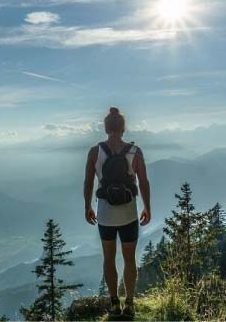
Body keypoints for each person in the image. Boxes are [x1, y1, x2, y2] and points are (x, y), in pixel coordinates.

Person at [84, 107, 151, 318]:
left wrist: (88, 206)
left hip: (105, 215)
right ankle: (129, 303)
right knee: (129, 259)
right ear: (123, 128)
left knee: (109, 258)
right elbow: (143, 182)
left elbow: (88, 182)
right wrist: (147, 207)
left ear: (106, 128)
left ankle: (114, 304)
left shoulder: (95, 152)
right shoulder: (135, 152)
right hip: (129, 214)